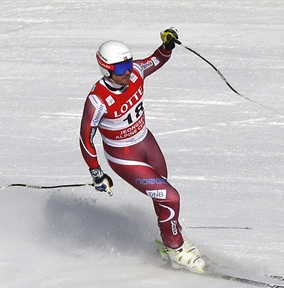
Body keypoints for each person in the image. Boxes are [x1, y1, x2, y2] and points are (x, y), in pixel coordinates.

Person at [79, 28, 206, 273]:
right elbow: (86, 138)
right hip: (124, 158)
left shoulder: (135, 72)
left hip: (146, 142)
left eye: (128, 63)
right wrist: (96, 172)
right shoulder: (97, 100)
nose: (127, 72)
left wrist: (167, 46)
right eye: (120, 69)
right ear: (106, 70)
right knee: (171, 197)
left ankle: (168, 244)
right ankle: (176, 250)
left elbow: (156, 60)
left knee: (163, 195)